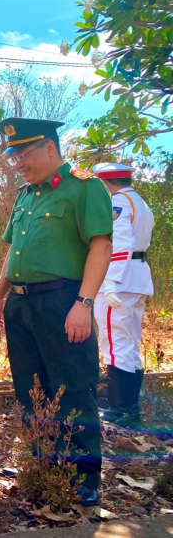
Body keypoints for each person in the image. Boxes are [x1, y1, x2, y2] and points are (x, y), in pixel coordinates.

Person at [0, 117, 113, 507]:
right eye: (13, 156)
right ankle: (44, 465)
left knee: (72, 385)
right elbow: (14, 252)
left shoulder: (84, 187)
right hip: (22, 304)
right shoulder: (26, 195)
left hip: (64, 302)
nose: (18, 163)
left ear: (50, 148)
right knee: (31, 389)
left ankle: (83, 476)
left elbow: (101, 245)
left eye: (23, 154)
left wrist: (84, 303)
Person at [92, 162, 154, 427]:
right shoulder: (140, 201)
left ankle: (120, 410)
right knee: (129, 342)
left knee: (115, 344)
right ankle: (130, 409)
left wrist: (111, 283)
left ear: (105, 183)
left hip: (118, 279)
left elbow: (119, 244)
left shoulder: (118, 202)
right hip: (137, 277)